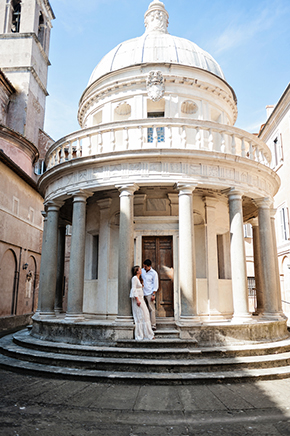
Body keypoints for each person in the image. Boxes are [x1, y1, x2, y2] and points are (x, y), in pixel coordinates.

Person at [130, 265, 154, 341]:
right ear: (137, 271)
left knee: (145, 315)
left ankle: (147, 334)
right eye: (140, 269)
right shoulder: (134, 278)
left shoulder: (138, 279)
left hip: (141, 299)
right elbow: (133, 289)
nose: (141, 270)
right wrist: (137, 299)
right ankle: (140, 334)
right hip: (138, 300)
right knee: (140, 316)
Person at [141, 259, 159, 331]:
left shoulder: (154, 273)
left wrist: (153, 294)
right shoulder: (142, 271)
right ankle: (144, 324)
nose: (144, 268)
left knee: (152, 309)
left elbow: (155, 284)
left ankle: (153, 325)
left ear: (149, 266)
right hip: (142, 293)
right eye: (144, 266)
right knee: (143, 309)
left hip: (149, 293)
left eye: (145, 267)